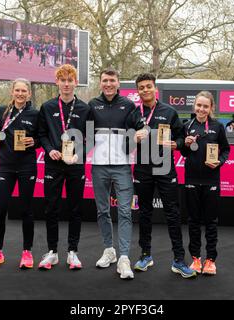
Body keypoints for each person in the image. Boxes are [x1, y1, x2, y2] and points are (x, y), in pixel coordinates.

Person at [127, 73, 196, 279]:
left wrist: (178, 144)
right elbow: (125, 143)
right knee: (145, 213)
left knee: (172, 213)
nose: (145, 90)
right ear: (137, 91)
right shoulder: (133, 114)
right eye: (141, 87)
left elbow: (182, 138)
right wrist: (133, 138)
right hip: (142, 169)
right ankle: (146, 255)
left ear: (155, 88)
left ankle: (178, 260)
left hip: (165, 167)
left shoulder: (169, 111)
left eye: (148, 86)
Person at [38, 64, 90, 270]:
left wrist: (80, 155)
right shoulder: (48, 107)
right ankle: (52, 252)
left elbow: (91, 138)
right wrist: (50, 149)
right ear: (57, 82)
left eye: (70, 80)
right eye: (63, 80)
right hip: (53, 165)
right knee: (51, 208)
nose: (66, 84)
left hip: (75, 165)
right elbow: (42, 134)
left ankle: (72, 252)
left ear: (75, 83)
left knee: (75, 208)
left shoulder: (85, 108)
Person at [0, 78, 39, 269]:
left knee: (26, 210)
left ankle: (27, 252)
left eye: (24, 91)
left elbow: (41, 137)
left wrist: (34, 141)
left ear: (29, 94)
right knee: (0, 209)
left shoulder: (35, 114)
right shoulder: (2, 111)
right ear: (12, 92)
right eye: (17, 90)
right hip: (6, 166)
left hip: (27, 166)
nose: (20, 94)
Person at [88, 67, 136, 279]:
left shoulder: (128, 105)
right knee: (102, 211)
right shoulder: (92, 105)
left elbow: (140, 128)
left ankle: (124, 258)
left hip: (122, 167)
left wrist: (141, 133)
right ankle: (109, 250)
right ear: (100, 83)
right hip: (98, 166)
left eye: (112, 80)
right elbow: (83, 134)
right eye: (105, 80)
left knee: (125, 211)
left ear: (118, 83)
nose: (108, 84)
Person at [181, 91, 230, 275]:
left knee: (211, 222)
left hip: (211, 180)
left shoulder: (218, 127)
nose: (201, 109)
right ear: (195, 107)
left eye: (205, 106)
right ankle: (195, 258)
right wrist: (185, 144)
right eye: (199, 106)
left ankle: (210, 260)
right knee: (193, 221)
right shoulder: (187, 126)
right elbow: (185, 153)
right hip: (192, 180)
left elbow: (226, 150)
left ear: (211, 108)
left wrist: (220, 161)